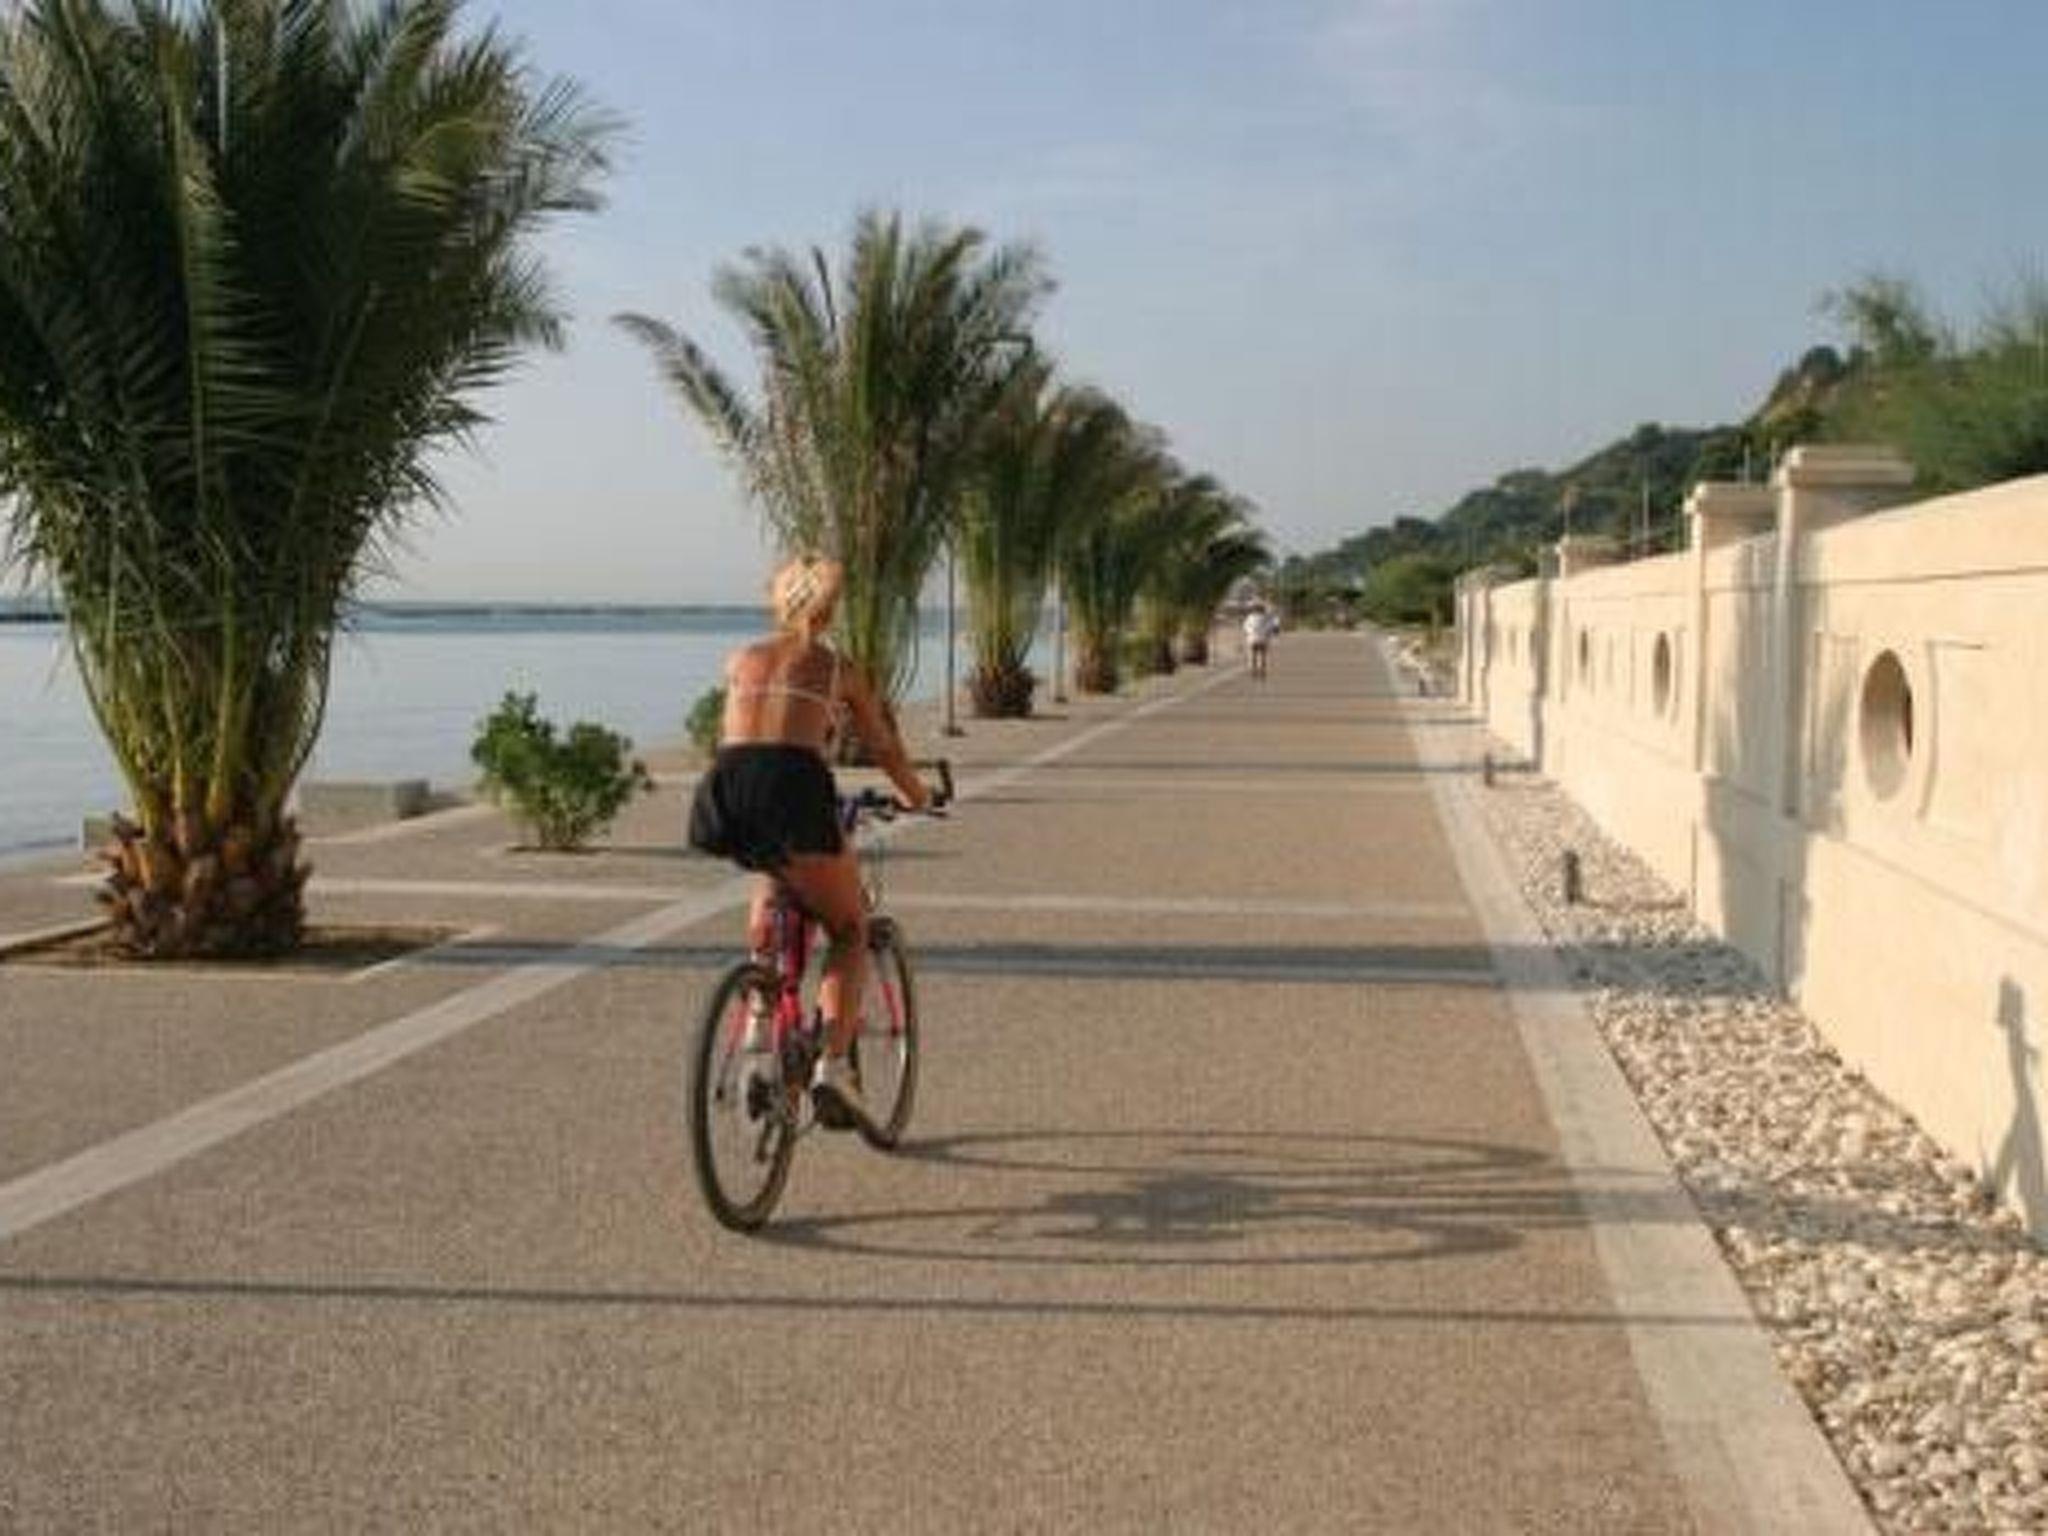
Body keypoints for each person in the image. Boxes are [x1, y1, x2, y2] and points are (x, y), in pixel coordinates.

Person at [688, 555, 933, 1129]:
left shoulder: (740, 659)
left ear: (775, 603)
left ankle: (758, 1013)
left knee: (773, 868)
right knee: (849, 929)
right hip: (794, 786)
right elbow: (882, 746)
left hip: (726, 787)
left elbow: (741, 738)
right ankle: (832, 1069)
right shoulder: (837, 669)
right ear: (830, 609)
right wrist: (917, 794)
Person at [1242, 601, 1278, 680]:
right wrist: (1268, 633)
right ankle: (1262, 671)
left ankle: (1253, 670)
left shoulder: (1250, 617)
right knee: (1262, 656)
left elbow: (1245, 627)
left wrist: (1250, 632)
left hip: (1252, 639)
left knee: (1253, 655)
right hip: (1263, 639)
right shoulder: (1266, 618)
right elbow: (1270, 627)